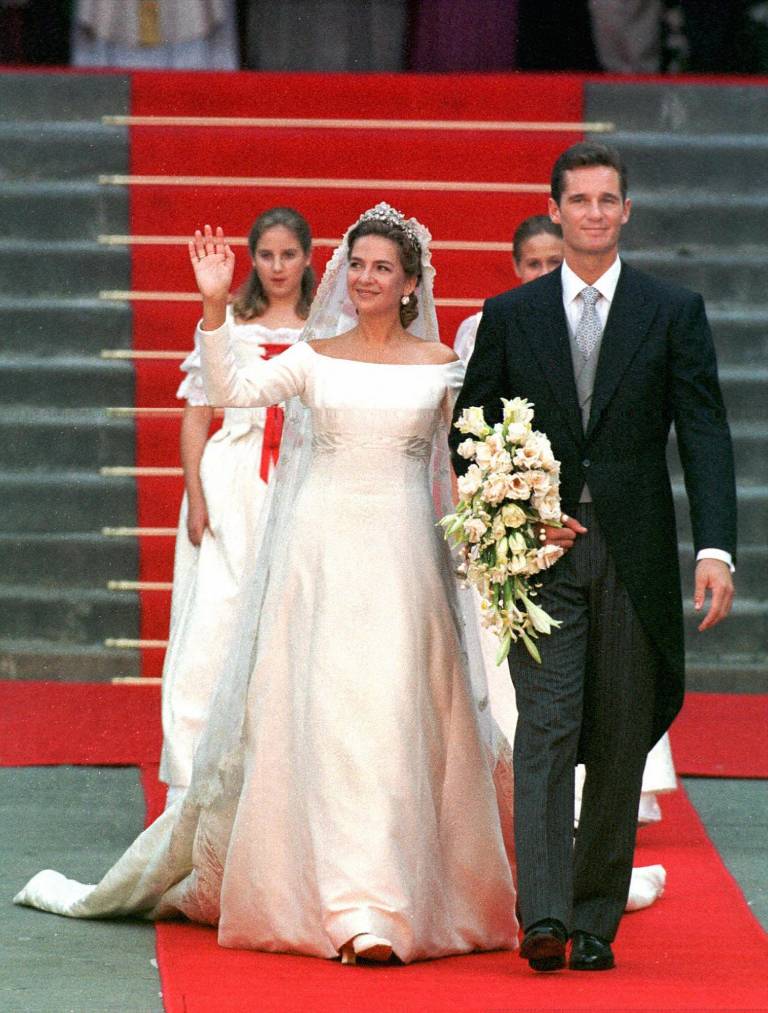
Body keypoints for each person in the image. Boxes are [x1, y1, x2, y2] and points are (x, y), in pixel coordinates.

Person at [15, 205, 518, 964]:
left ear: (412, 283)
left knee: (397, 715)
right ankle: (355, 908)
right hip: (321, 555)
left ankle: (398, 893)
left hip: (407, 560)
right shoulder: (314, 358)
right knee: (330, 717)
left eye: (383, 268)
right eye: (358, 264)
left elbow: (473, 453)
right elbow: (232, 389)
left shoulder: (441, 363)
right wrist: (215, 304)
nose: (367, 278)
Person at [450, 142, 736, 972]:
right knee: (544, 725)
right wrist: (517, 517)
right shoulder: (511, 315)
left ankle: (594, 918)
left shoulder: (672, 310)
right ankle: (543, 913)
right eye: (579, 200)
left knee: (618, 734)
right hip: (539, 556)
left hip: (635, 553)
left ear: (626, 211)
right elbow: (472, 433)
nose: (595, 212)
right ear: (556, 209)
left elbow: (705, 432)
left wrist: (715, 546)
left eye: (608, 199)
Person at [455, 214, 677, 830]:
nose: (545, 272)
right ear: (515, 266)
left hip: (614, 530)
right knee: (542, 709)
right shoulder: (497, 322)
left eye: (554, 262)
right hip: (526, 538)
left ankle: (596, 824)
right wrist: (505, 520)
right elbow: (473, 433)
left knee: (614, 699)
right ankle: (525, 824)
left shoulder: (623, 318)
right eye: (533, 263)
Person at [160, 207, 314, 806]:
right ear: (252, 260)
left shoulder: (327, 327)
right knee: (215, 621)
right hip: (234, 483)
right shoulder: (230, 325)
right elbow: (196, 416)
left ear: (307, 257)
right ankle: (189, 778)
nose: (277, 267)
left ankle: (278, 782)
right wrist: (197, 498)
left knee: (290, 624)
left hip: (299, 481)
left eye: (288, 254)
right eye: (266, 255)